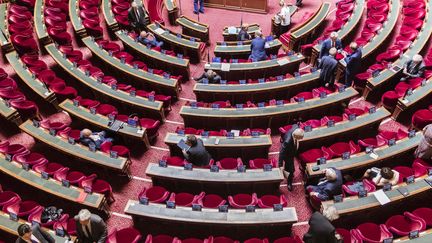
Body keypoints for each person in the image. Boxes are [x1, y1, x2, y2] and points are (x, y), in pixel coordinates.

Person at [279, 125, 305, 191]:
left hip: (292, 151)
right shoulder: (287, 142)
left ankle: (288, 171)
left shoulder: (296, 127)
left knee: (289, 168)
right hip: (288, 155)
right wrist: (280, 165)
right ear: (295, 136)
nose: (301, 139)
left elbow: (295, 125)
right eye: (300, 138)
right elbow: (281, 153)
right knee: (291, 170)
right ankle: (289, 182)